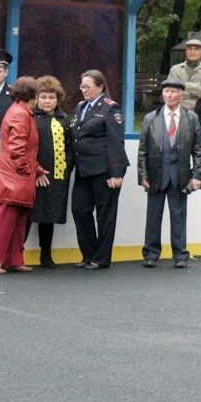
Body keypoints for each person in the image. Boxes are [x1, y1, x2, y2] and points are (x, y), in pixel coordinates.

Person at [0, 76, 46, 274]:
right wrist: (28, 170)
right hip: (15, 176)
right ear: (32, 95)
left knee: (16, 219)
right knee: (6, 219)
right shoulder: (21, 114)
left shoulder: (18, 111)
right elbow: (17, 148)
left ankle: (13, 259)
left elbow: (22, 148)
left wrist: (37, 169)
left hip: (13, 175)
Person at [138, 77, 201, 269]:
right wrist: (142, 175)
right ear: (162, 94)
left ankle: (180, 255)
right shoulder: (151, 118)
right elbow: (142, 150)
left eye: (174, 92)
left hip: (180, 176)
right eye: (166, 91)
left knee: (178, 216)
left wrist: (196, 176)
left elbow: (198, 150)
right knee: (153, 217)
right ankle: (151, 254)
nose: (170, 95)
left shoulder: (191, 118)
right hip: (155, 175)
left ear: (181, 95)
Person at [70, 69, 128, 269]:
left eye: (88, 86)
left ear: (100, 86)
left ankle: (101, 258)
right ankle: (88, 254)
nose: (83, 90)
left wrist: (116, 173)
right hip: (83, 168)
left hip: (103, 170)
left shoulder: (110, 108)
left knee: (105, 215)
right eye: (82, 86)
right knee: (79, 210)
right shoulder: (80, 107)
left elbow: (115, 141)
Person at [27, 75, 73, 269]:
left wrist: (67, 168)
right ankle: (16, 251)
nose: (47, 101)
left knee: (49, 216)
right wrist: (36, 171)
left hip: (57, 176)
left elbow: (69, 146)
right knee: (28, 215)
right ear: (36, 98)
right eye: (43, 97)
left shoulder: (64, 120)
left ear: (58, 99)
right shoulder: (31, 118)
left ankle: (45, 253)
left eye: (51, 97)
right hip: (35, 175)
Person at [167, 39, 201, 111]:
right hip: (177, 109)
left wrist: (184, 85)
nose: (193, 52)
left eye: (196, 49)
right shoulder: (175, 70)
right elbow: (171, 90)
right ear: (186, 52)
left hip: (198, 111)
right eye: (190, 49)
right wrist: (195, 92)